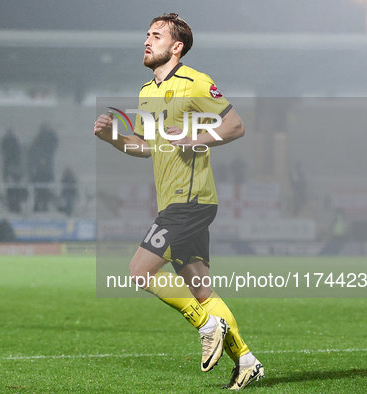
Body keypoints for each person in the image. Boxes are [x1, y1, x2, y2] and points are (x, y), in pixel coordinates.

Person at [94, 14, 263, 390]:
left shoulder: (195, 82)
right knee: (202, 290)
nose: (146, 41)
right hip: (173, 202)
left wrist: (196, 136)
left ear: (176, 47)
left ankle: (206, 324)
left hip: (191, 200)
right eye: (146, 35)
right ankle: (247, 361)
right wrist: (113, 139)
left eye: (156, 35)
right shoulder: (146, 92)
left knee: (140, 272)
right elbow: (146, 147)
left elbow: (235, 125)